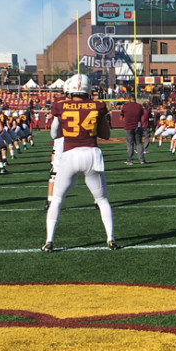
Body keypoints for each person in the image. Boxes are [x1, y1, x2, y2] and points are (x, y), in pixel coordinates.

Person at [42, 74, 119, 252]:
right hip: (91, 154)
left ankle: (49, 241)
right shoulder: (98, 105)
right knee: (102, 200)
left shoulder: (60, 105)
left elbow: (54, 134)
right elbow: (106, 135)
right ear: (88, 88)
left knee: (57, 199)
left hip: (69, 155)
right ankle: (110, 238)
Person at [120, 98, 147, 165]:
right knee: (139, 143)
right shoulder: (139, 106)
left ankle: (130, 160)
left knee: (130, 144)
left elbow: (122, 114)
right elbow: (142, 114)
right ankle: (141, 160)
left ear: (129, 99)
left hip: (128, 126)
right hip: (137, 125)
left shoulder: (125, 106)